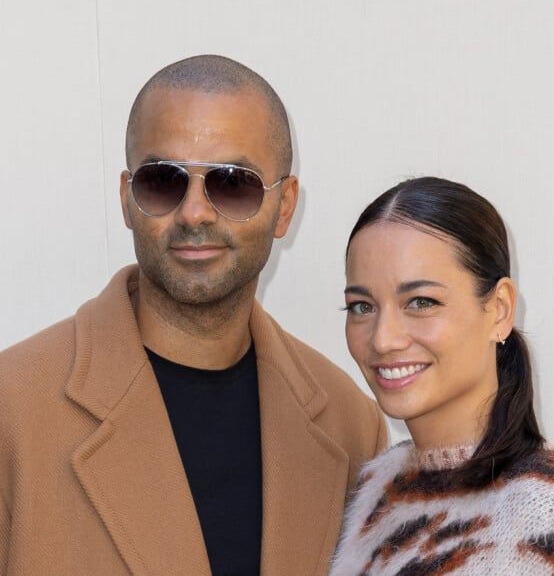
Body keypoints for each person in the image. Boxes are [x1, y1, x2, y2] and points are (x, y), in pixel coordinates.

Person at [0, 54, 386, 576]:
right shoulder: (14, 410)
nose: (195, 212)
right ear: (126, 199)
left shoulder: (350, 426)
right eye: (163, 180)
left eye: (233, 183)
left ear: (285, 207)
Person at [330, 177, 554, 575]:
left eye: (421, 302)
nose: (383, 339)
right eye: (362, 306)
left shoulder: (548, 514)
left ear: (499, 309)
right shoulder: (377, 486)